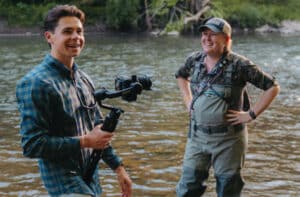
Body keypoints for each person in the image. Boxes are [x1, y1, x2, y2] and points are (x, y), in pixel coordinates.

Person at [16, 5, 132, 197]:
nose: (76, 37)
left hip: (90, 176)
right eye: (67, 31)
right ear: (49, 37)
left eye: (79, 31)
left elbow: (98, 131)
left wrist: (118, 168)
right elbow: (31, 145)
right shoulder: (35, 83)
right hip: (62, 182)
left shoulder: (84, 79)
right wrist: (85, 141)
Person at [175, 17, 280, 197]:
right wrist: (187, 100)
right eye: (204, 34)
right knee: (187, 189)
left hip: (229, 141)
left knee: (227, 190)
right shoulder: (194, 60)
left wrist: (251, 115)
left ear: (227, 40)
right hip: (197, 138)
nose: (207, 39)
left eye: (213, 35)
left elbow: (272, 87)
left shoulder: (240, 65)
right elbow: (180, 76)